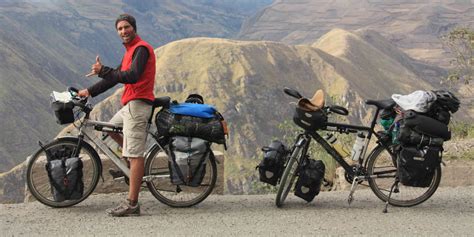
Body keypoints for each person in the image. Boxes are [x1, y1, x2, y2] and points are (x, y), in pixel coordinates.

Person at [78, 14, 155, 217]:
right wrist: (89, 91)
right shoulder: (130, 52)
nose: (123, 31)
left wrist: (104, 70)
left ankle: (132, 203)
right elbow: (113, 79)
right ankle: (129, 166)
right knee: (109, 129)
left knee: (135, 153)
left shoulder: (141, 49)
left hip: (138, 105)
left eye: (126, 27)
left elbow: (132, 76)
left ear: (134, 28)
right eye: (119, 29)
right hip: (129, 104)